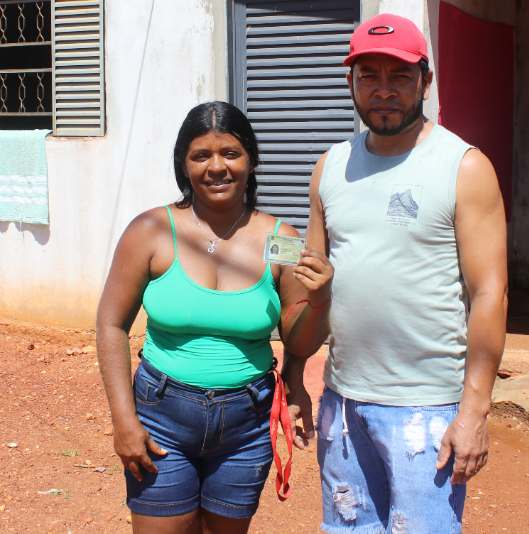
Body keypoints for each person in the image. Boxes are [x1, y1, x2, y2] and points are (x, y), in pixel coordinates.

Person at [284, 13, 508, 534]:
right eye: (369, 76)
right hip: (343, 406)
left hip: (426, 409)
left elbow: (490, 293)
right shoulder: (330, 167)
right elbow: (312, 288)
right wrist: (295, 376)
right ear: (350, 81)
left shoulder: (463, 166)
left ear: (425, 81)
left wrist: (474, 409)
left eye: (400, 76)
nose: (383, 90)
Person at [96, 101, 333, 534]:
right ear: (183, 166)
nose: (217, 167)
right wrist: (123, 420)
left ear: (251, 161)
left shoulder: (281, 240)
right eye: (201, 155)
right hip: (160, 416)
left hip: (247, 423)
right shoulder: (150, 231)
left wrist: (320, 298)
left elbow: (299, 342)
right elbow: (111, 325)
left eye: (230, 153)